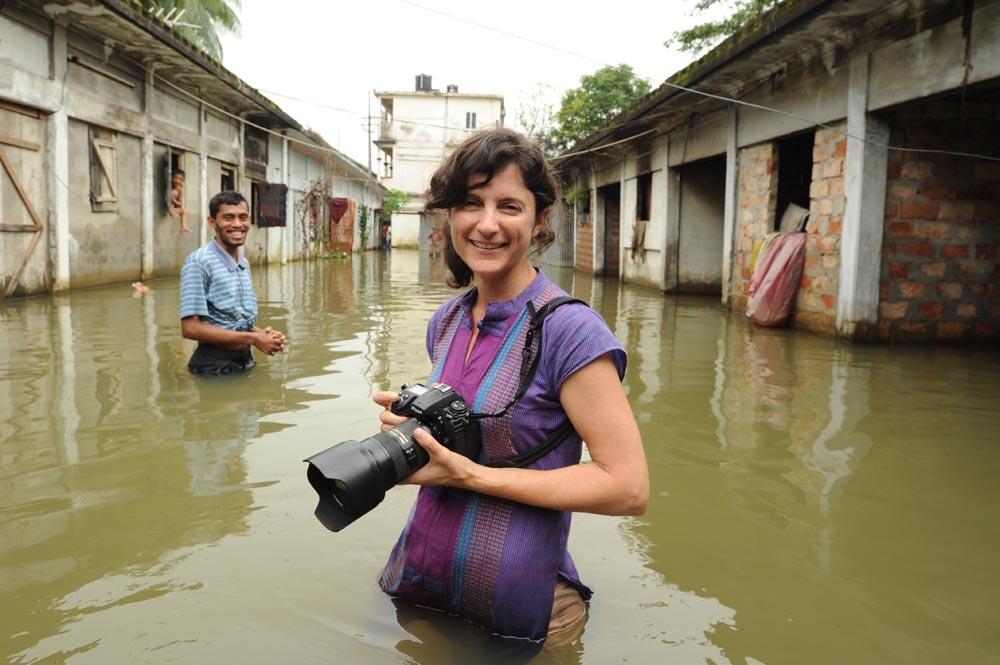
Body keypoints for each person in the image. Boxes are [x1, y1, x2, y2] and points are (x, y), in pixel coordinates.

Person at [372, 129, 649, 646]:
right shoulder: (447, 320)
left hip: (526, 608)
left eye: (510, 206)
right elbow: (470, 437)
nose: (487, 224)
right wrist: (413, 432)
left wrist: (473, 477)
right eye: (471, 203)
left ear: (539, 219)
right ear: (450, 215)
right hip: (422, 581)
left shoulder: (569, 330)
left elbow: (628, 487)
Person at [179, 191, 285, 375]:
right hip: (213, 365)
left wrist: (263, 335)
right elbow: (190, 328)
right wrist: (254, 339)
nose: (237, 224)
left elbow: (234, 319)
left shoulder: (242, 262)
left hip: (243, 358)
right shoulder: (199, 262)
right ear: (212, 222)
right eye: (228, 218)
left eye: (242, 217)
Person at [170, 169, 191, 233]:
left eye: (180, 179)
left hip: (172, 208)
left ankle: (183, 226)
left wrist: (173, 200)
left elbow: (180, 204)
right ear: (172, 178)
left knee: (184, 211)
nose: (177, 181)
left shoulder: (180, 190)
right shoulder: (169, 186)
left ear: (183, 181)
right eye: (175, 178)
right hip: (167, 207)